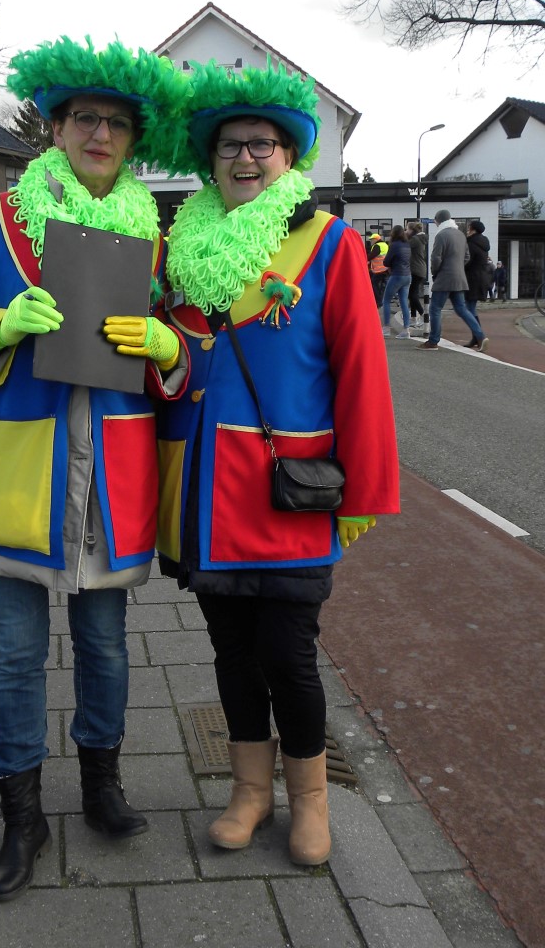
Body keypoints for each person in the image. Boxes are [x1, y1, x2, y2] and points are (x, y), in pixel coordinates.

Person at [107, 61, 399, 866]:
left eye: (260, 144)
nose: (244, 157)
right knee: (232, 656)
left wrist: (365, 491)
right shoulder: (180, 249)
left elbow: (361, 371)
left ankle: (311, 802)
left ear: (287, 154)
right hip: (205, 492)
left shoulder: (327, 240)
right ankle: (248, 793)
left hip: (287, 491)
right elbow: (173, 368)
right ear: (211, 159)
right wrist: (165, 355)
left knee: (290, 657)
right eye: (230, 145)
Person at [0, 37, 184, 903]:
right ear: (56, 129)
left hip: (111, 477)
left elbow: (190, 354)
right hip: (16, 473)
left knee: (105, 646)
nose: (100, 133)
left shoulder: (157, 241)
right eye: (84, 119)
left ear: (132, 141)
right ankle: (21, 816)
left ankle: (102, 787)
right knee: (15, 656)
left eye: (116, 123)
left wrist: (168, 346)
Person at [420, 208, 489, 352]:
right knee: (462, 309)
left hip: (444, 278)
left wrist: (435, 272)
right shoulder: (461, 235)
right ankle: (481, 336)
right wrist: (458, 267)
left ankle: (433, 341)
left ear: (439, 220)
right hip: (459, 277)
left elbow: (436, 258)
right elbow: (467, 257)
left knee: (435, 308)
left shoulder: (441, 235)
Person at [381, 225, 412, 338]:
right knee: (403, 302)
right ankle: (406, 330)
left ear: (393, 234)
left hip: (397, 275)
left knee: (386, 300)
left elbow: (386, 262)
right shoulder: (407, 245)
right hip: (407, 275)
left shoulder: (394, 245)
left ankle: (386, 328)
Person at [464, 220, 492, 338]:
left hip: (472, 279)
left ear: (473, 229)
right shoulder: (484, 243)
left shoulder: (471, 244)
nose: (467, 230)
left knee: (468, 309)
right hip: (481, 277)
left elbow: (467, 261)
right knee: (471, 307)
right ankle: (477, 337)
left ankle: (478, 336)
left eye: (469, 228)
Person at [405, 221, 428, 328]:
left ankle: (423, 315)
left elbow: (404, 246)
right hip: (420, 269)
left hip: (415, 269)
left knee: (412, 294)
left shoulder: (414, 239)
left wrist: (403, 236)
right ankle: (413, 318)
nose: (406, 231)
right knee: (412, 293)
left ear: (412, 230)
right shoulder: (420, 239)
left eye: (407, 229)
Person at [366, 232, 389, 307]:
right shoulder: (385, 245)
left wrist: (365, 258)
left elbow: (371, 256)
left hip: (379, 269)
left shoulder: (377, 246)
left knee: (374, 284)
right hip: (385, 269)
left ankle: (378, 301)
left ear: (376, 239)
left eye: (372, 239)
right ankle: (381, 299)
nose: (371, 241)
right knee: (381, 286)